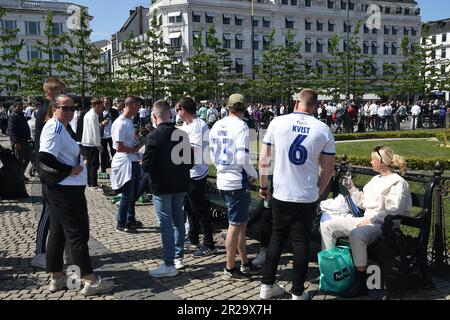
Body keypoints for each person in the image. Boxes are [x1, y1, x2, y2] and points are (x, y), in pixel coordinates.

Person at [258, 89, 336, 300]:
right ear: (315, 106)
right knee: (300, 241)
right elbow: (328, 170)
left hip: (281, 192)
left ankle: (266, 286)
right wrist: (318, 193)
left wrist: (264, 187)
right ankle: (297, 292)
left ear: (296, 103)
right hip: (306, 194)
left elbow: (264, 160)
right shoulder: (323, 129)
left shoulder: (277, 122)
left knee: (277, 237)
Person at [39, 94, 113, 296]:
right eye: (65, 108)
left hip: (63, 189)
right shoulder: (54, 127)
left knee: (58, 233)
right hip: (65, 190)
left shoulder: (60, 127)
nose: (70, 112)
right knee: (77, 234)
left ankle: (57, 276)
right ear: (54, 108)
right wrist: (69, 170)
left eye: (73, 108)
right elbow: (45, 156)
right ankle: (91, 280)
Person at [320, 146, 412, 297]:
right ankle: (331, 270)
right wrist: (351, 188)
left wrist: (371, 219)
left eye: (372, 159)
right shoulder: (376, 179)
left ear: (381, 162)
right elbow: (364, 202)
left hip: (383, 226)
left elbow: (393, 211)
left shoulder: (397, 182)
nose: (370, 162)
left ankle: (360, 282)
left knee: (357, 235)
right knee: (327, 226)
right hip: (366, 220)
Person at [209, 93, 260, 281]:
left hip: (223, 178)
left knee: (240, 224)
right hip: (236, 181)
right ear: (243, 108)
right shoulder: (241, 126)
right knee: (235, 225)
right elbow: (241, 157)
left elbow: (212, 153)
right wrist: (254, 174)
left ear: (228, 107)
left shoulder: (217, 124)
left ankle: (244, 263)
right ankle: (230, 267)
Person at [142, 100, 193, 277]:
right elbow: (190, 162)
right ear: (169, 115)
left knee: (166, 225)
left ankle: (170, 263)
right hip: (180, 184)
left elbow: (146, 166)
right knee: (178, 221)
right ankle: (178, 258)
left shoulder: (153, 136)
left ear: (155, 116)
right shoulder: (182, 134)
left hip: (162, 186)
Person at [30, 77, 67, 269]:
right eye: (61, 90)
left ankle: (59, 252)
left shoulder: (54, 111)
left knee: (59, 211)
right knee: (47, 211)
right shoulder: (47, 111)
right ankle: (39, 253)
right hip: (49, 169)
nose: (64, 93)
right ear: (51, 93)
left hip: (56, 168)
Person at [177, 97, 217, 257]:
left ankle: (209, 243)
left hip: (196, 173)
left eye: (177, 109)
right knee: (188, 207)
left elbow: (192, 151)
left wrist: (178, 164)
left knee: (200, 209)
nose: (176, 112)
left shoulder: (198, 126)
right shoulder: (187, 125)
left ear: (183, 109)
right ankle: (193, 237)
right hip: (187, 173)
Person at [110, 96, 143, 233]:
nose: (140, 109)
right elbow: (119, 147)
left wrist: (136, 143)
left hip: (132, 159)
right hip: (125, 161)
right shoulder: (121, 123)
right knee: (127, 194)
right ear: (133, 105)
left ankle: (130, 219)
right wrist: (134, 149)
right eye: (139, 106)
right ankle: (121, 222)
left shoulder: (128, 121)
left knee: (133, 193)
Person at [81, 98, 103, 190]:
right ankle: (93, 184)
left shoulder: (88, 114)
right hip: (92, 143)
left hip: (87, 142)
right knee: (94, 165)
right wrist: (99, 144)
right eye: (101, 106)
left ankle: (90, 182)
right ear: (96, 105)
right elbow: (95, 132)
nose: (102, 108)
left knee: (90, 164)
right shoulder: (93, 115)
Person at [7, 102, 32, 177]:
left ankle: (21, 174)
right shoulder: (13, 116)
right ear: (14, 107)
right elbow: (11, 130)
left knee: (27, 158)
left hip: (25, 141)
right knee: (19, 161)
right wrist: (16, 142)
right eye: (19, 106)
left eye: (22, 106)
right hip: (18, 142)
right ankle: (19, 177)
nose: (21, 107)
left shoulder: (21, 115)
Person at [99, 97, 119, 173]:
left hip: (112, 135)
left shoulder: (114, 111)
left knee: (114, 152)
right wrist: (102, 123)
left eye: (108, 103)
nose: (106, 104)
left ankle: (115, 169)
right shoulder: (100, 112)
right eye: (105, 103)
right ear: (103, 103)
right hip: (102, 135)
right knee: (103, 154)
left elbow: (117, 122)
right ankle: (103, 170)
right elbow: (96, 124)